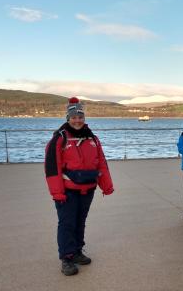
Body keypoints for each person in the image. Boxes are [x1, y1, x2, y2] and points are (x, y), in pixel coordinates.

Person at [44, 97, 114, 276]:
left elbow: (102, 164)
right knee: (67, 223)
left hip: (87, 189)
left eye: (80, 117)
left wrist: (106, 185)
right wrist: (57, 192)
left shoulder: (93, 138)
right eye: (74, 117)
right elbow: (52, 167)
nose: (77, 120)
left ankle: (76, 251)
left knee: (80, 222)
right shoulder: (59, 138)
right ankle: (66, 258)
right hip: (67, 191)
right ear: (68, 118)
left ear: (84, 118)